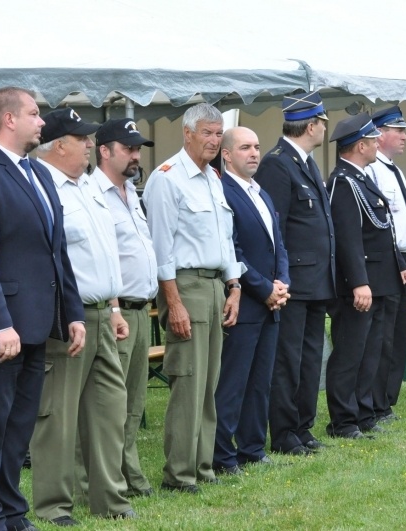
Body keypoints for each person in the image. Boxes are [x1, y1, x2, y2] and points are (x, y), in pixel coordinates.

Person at [0, 87, 86, 531]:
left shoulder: (39, 175)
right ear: (8, 119)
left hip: (36, 321)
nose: (42, 122)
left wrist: (73, 313)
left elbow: (55, 252)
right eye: (34, 113)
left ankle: (10, 509)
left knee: (19, 424)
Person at [29, 109, 136, 524]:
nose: (91, 144)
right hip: (66, 319)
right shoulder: (42, 187)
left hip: (101, 314)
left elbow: (102, 254)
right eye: (83, 138)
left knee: (109, 410)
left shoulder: (88, 187)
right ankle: (54, 505)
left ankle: (110, 499)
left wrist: (112, 308)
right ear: (60, 145)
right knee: (58, 417)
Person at [142, 103, 243, 494]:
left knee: (208, 383)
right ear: (187, 133)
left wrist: (234, 287)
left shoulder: (214, 179)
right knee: (188, 381)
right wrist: (174, 300)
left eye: (219, 134)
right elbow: (160, 248)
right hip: (185, 286)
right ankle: (180, 474)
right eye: (207, 133)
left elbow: (225, 241)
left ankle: (203, 467)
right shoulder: (168, 179)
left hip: (215, 286)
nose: (215, 141)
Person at [256, 90, 336, 456]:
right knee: (288, 360)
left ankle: (303, 426)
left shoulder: (304, 162)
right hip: (293, 281)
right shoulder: (278, 164)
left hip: (316, 280)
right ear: (311, 125)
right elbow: (277, 229)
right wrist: (279, 278)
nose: (324, 128)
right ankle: (285, 431)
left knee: (308, 357)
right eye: (322, 122)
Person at [325, 113, 406, 438]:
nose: (377, 144)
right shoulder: (344, 182)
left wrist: (399, 264)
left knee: (370, 351)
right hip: (360, 285)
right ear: (360, 145)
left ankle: (363, 412)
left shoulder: (361, 177)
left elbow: (382, 229)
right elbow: (348, 237)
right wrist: (360, 281)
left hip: (379, 280)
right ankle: (343, 420)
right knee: (350, 352)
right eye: (373, 140)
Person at [213, 126, 290, 474]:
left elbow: (279, 245)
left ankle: (252, 447)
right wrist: (264, 288)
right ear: (227, 155)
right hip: (245, 300)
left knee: (261, 381)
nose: (255, 153)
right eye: (245, 147)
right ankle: (222, 455)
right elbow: (233, 250)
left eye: (257, 147)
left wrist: (283, 282)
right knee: (234, 382)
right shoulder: (223, 191)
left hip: (270, 300)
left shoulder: (261, 192)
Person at [91, 118, 158, 498]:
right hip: (115, 310)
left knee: (134, 401)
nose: (136, 155)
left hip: (140, 308)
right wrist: (114, 307)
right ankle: (105, 477)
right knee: (110, 403)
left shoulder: (132, 191)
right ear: (105, 150)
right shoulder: (93, 192)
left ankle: (127, 470)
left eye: (137, 149)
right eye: (129, 148)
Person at [367, 106, 406, 423]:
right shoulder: (373, 169)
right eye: (398, 130)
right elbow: (382, 223)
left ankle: (387, 400)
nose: (404, 136)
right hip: (387, 261)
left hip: (404, 257)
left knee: (399, 333)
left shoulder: (394, 170)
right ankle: (376, 403)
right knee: (383, 334)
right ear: (380, 134)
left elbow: (405, 222)